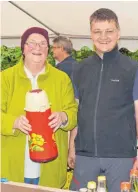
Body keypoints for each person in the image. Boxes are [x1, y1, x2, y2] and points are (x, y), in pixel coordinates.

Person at [69, 8, 138, 192]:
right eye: (97, 31)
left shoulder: (133, 69)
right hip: (85, 155)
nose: (103, 36)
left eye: (109, 31)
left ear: (118, 33)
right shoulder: (79, 69)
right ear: (91, 34)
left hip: (120, 157)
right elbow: (77, 111)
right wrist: (71, 148)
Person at [1, 27, 77, 188]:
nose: (37, 48)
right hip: (13, 165)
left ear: (48, 50)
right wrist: (13, 122)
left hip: (51, 166)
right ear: (23, 48)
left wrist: (64, 117)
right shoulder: (5, 78)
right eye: (32, 43)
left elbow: (73, 112)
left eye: (43, 44)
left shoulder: (61, 79)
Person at [52, 36, 79, 169]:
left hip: (64, 117)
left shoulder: (59, 71)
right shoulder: (80, 66)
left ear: (62, 48)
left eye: (54, 47)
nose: (52, 51)